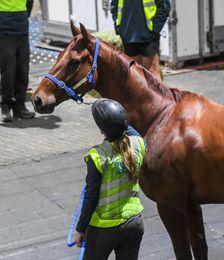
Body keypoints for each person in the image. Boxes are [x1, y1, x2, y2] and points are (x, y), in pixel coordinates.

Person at [74, 98, 146, 260]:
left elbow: (90, 197)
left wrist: (80, 229)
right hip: (134, 222)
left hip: (105, 228)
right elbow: (132, 132)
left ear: (101, 129)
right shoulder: (139, 144)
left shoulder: (98, 155)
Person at [110, 0, 171, 80]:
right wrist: (118, 27)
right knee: (135, 76)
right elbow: (114, 5)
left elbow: (164, 6)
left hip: (148, 35)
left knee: (152, 75)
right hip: (128, 35)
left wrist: (155, 28)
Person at [0, 0, 35, 122]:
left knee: (23, 69)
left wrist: (24, 15)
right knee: (8, 70)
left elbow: (29, 2)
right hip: (4, 26)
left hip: (21, 25)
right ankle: (5, 106)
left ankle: (19, 106)